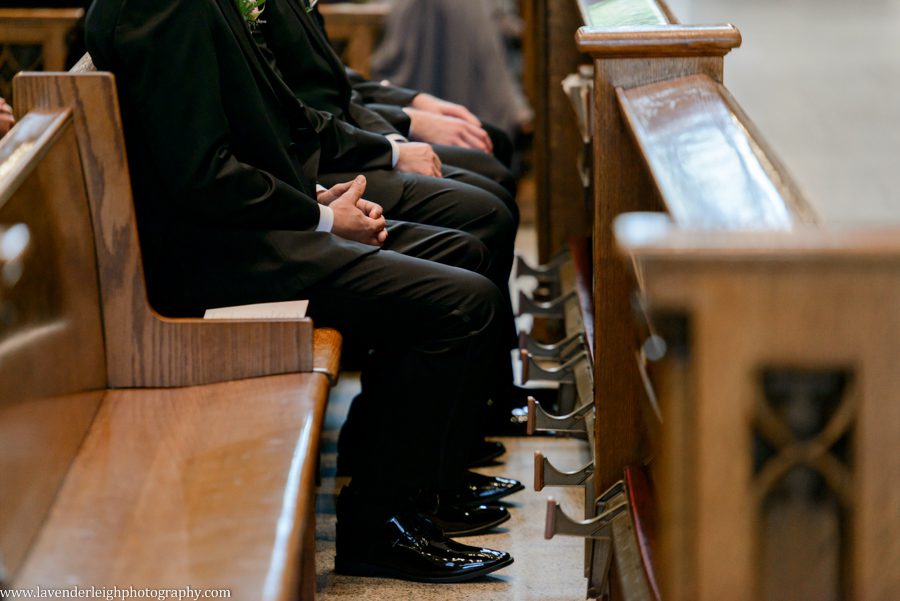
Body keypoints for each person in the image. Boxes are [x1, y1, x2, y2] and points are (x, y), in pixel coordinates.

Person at [85, 0, 517, 582]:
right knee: (461, 305)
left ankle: (414, 488)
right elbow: (201, 175)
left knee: (463, 252)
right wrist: (322, 220)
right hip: (215, 262)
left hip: (245, 229)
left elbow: (261, 125)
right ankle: (377, 525)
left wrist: (316, 200)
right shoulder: (162, 8)